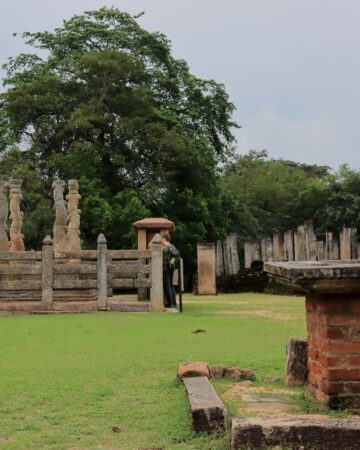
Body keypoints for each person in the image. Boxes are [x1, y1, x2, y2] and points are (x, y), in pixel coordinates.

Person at [161, 232, 177, 308]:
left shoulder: (164, 248)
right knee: (171, 285)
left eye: (161, 239)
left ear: (164, 239)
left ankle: (170, 303)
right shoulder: (172, 246)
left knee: (167, 285)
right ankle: (174, 302)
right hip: (171, 267)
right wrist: (171, 264)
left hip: (165, 268)